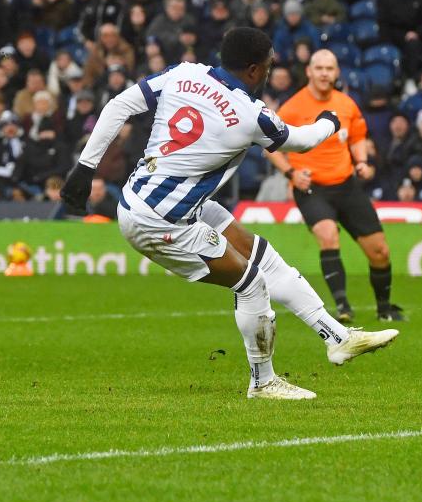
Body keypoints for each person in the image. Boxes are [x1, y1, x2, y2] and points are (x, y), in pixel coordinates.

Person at [60, 28, 398, 400]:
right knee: (251, 283)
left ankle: (338, 337)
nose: (269, 74)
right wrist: (331, 121)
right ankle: (263, 382)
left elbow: (119, 105)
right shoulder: (252, 115)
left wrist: (84, 167)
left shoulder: (184, 72)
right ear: (254, 70)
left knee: (265, 259)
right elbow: (302, 141)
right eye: (268, 67)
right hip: (160, 221)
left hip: (162, 201)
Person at [267, 50, 404, 324]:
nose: (324, 73)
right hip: (311, 187)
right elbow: (270, 146)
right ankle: (343, 306)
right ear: (309, 71)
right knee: (328, 236)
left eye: (329, 68)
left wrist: (362, 161)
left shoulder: (346, 104)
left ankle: (384, 308)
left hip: (346, 185)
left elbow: (357, 137)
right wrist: (291, 173)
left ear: (337, 72)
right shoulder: (293, 106)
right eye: (319, 68)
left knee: (380, 252)